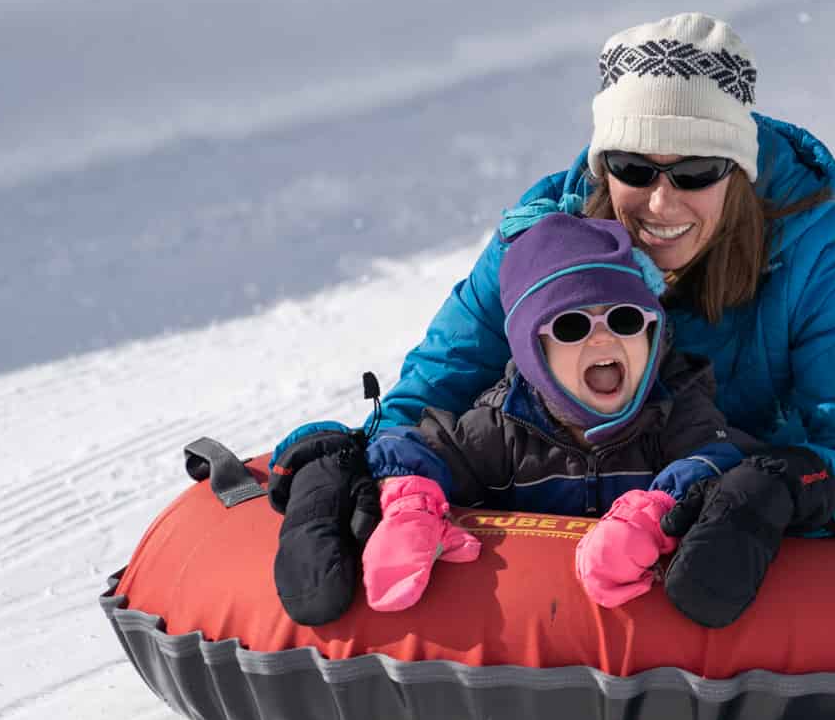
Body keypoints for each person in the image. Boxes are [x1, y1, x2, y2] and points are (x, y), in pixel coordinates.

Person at [378, 12, 835, 536]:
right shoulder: (543, 242)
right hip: (673, 475)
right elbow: (429, 390)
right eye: (634, 168)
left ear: (736, 171)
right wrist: (368, 468)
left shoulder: (809, 243)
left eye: (696, 170)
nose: (661, 204)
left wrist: (783, 484)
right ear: (603, 168)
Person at [271, 212, 805, 626]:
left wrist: (658, 510)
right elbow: (420, 447)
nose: (602, 338)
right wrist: (410, 498)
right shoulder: (503, 430)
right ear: (533, 357)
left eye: (623, 320)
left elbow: (716, 459)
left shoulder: (675, 412)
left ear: (652, 336)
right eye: (571, 327)